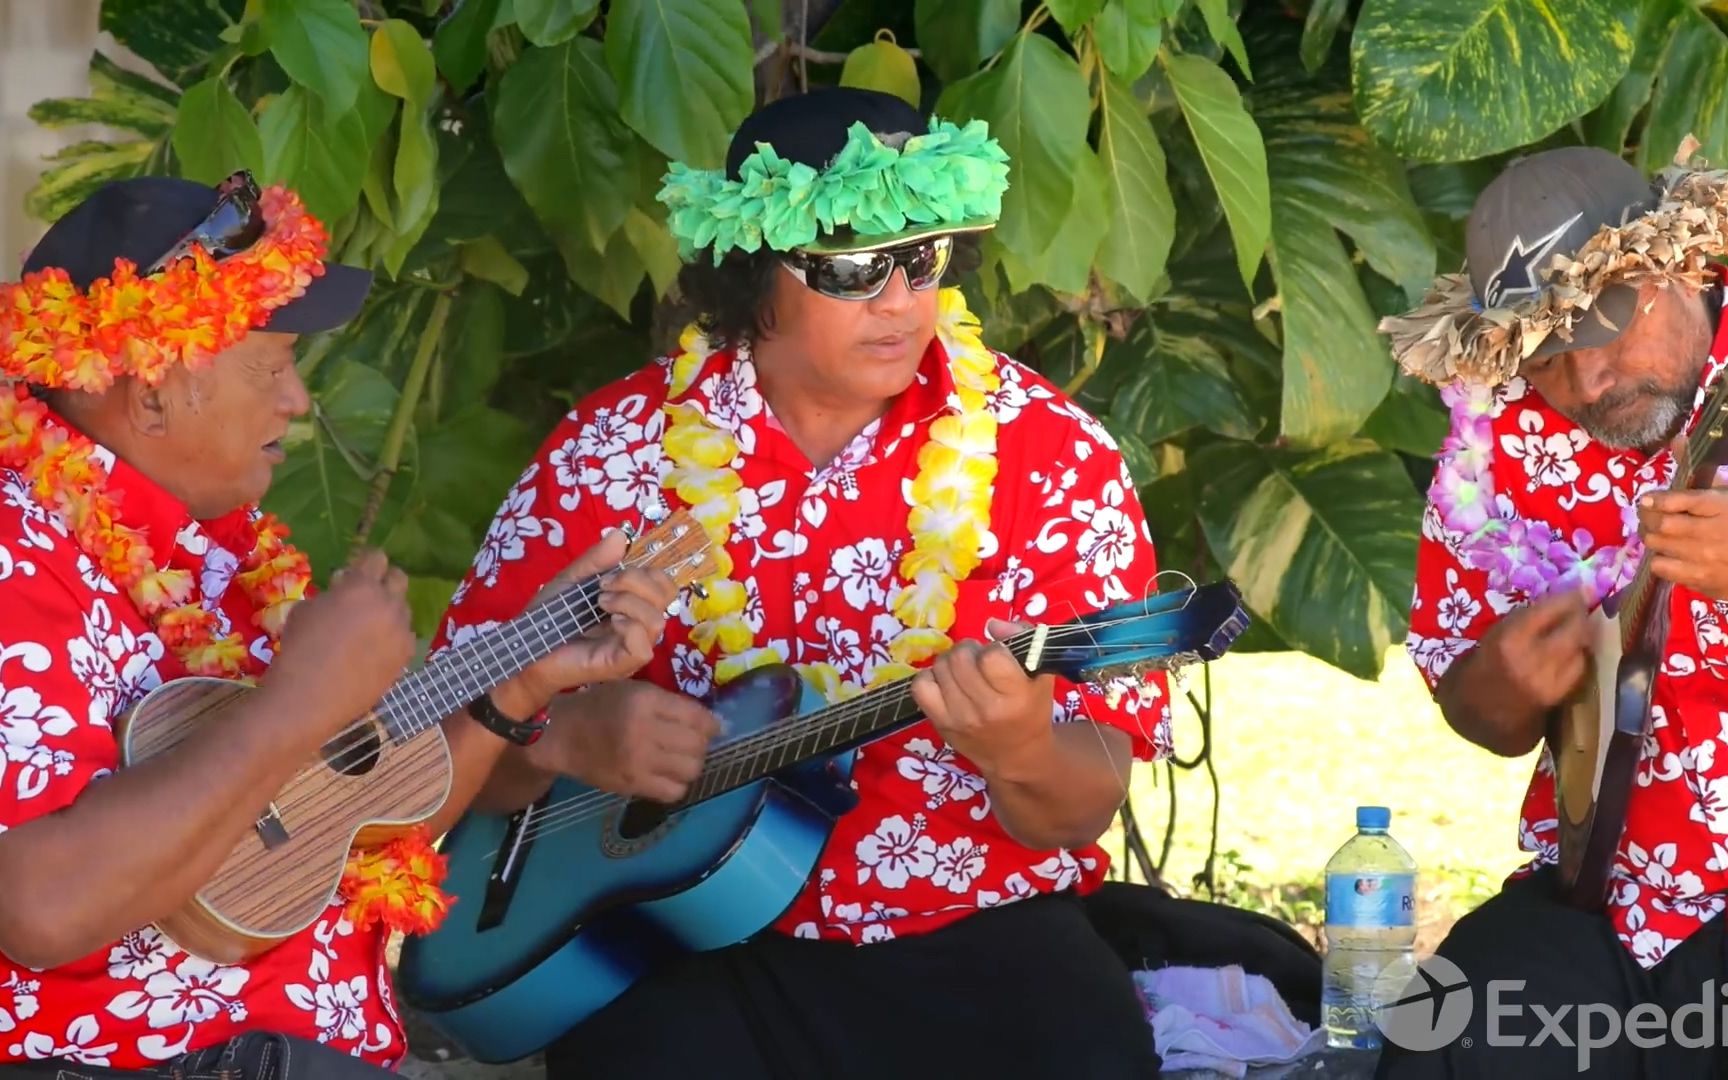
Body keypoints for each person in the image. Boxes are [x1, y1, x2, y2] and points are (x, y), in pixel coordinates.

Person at [438, 88, 1172, 1077]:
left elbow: (1076, 808)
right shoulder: (612, 453)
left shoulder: (1052, 458)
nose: (901, 300)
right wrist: (566, 735)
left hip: (966, 929)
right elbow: (443, 754)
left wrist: (1022, 746)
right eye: (853, 266)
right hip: (671, 939)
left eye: (923, 258)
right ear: (752, 274)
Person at [0, 172, 676, 1077]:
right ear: (153, 392)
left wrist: (520, 677)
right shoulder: (20, 555)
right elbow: (40, 910)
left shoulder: (225, 551)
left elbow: (335, 819)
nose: (297, 401)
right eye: (270, 366)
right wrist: (295, 703)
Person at [1378, 146, 1728, 1077]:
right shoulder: (1502, 443)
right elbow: (1476, 712)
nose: (1583, 386)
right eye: (1546, 354)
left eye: (1604, 334)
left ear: (1681, 266)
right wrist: (1503, 677)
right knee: (1442, 1043)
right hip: (1599, 891)